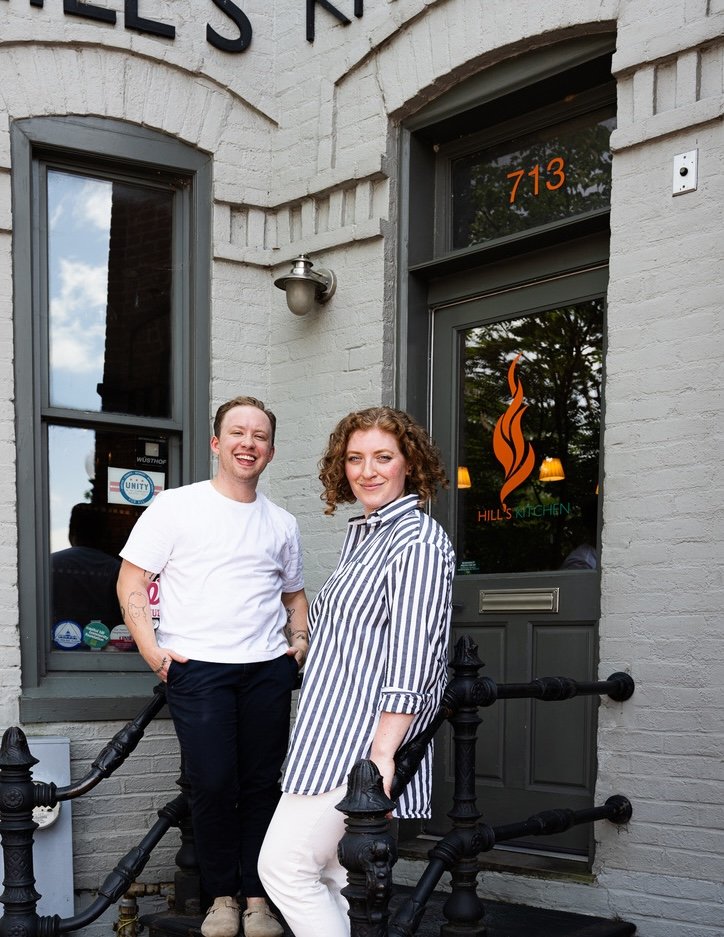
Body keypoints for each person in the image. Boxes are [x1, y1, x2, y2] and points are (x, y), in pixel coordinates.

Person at [258, 406, 455, 937]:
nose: (367, 471)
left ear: (409, 463)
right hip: (325, 730)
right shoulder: (366, 537)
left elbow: (414, 659)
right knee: (331, 874)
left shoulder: (416, 542)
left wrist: (383, 756)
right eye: (354, 458)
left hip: (358, 743)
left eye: (383, 457)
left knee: (283, 867)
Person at [117, 396, 309, 937]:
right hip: (199, 670)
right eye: (238, 433)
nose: (249, 443)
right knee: (213, 782)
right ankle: (221, 898)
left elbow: (294, 595)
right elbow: (132, 579)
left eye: (260, 436)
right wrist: (152, 650)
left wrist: (299, 641)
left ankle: (258, 900)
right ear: (216, 443)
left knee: (262, 785)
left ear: (271, 450)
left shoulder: (282, 523)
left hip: (266, 670)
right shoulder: (176, 507)